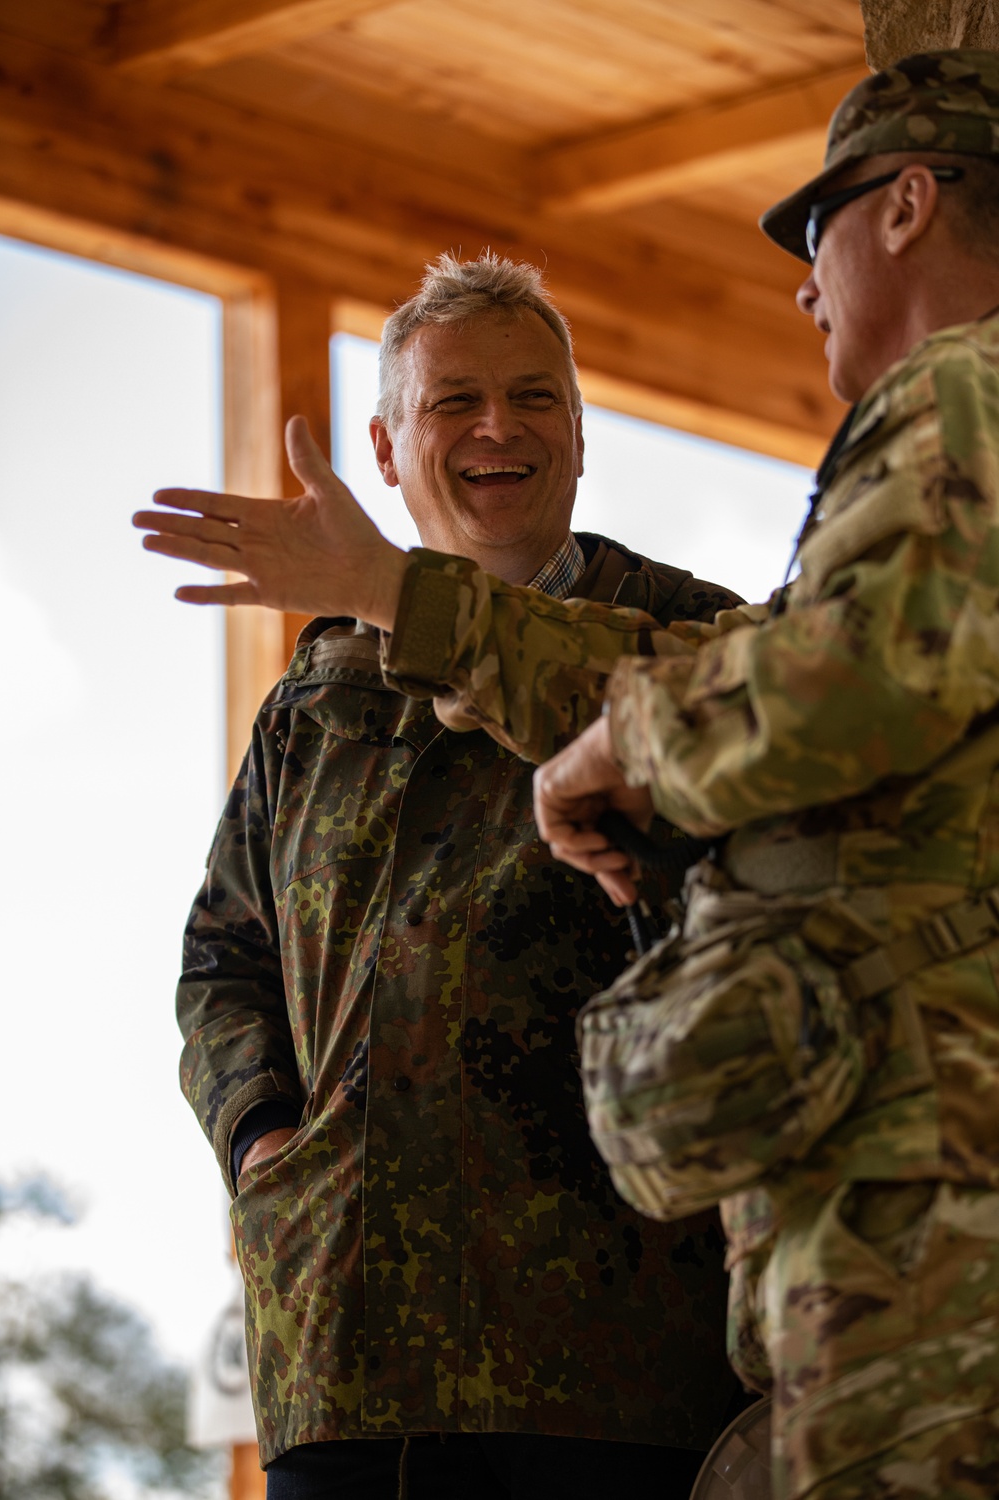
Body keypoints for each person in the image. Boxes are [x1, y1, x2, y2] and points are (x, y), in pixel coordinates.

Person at [135, 253, 744, 1499]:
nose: (496, 429)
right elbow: (223, 958)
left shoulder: (696, 642)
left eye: (534, 398)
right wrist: (263, 1141)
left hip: (614, 1355)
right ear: (385, 445)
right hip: (346, 1351)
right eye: (453, 401)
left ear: (580, 433)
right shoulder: (314, 694)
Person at [518, 50, 999, 1500]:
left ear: (907, 204)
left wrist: (623, 741)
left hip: (930, 1214)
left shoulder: (966, 391)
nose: (802, 282)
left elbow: (858, 674)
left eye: (818, 227)